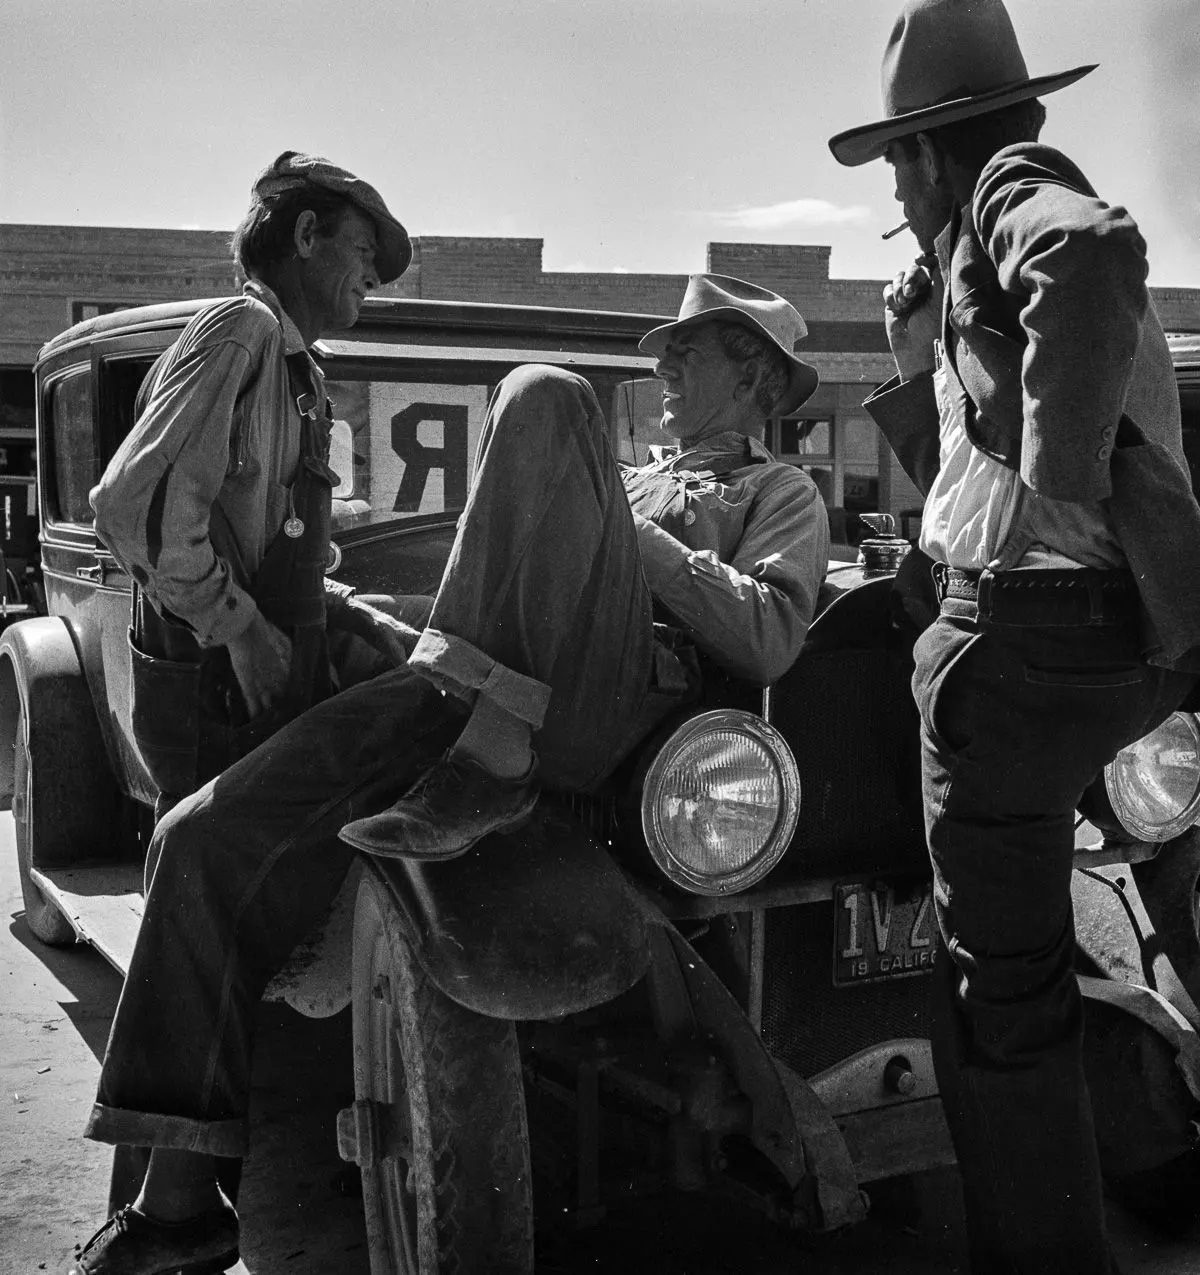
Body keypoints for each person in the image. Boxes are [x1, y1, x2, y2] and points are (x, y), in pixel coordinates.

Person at [66, 274, 830, 1273]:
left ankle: (487, 734)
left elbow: (772, 635)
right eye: (669, 346)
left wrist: (631, 541)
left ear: (763, 380)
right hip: (468, 692)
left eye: (700, 346)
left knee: (550, 392)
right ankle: (176, 1207)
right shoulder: (626, 474)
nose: (668, 363)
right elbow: (507, 572)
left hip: (600, 714)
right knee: (199, 837)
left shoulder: (782, 493)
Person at [828, 2, 1200, 1272]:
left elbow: (1091, 255)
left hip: (1017, 650)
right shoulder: (974, 261)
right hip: (1098, 651)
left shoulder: (1009, 188)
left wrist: (1064, 462)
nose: (895, 186)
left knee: (1002, 1004)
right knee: (1064, 947)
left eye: (894, 161)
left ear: (931, 150)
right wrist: (916, 356)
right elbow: (970, 492)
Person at [91, 151, 417, 821]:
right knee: (209, 896)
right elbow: (129, 508)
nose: (371, 278)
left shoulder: (297, 369)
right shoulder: (245, 331)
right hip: (214, 695)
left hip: (242, 699)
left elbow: (254, 540)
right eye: (360, 250)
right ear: (305, 238)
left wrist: (349, 608)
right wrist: (240, 630)